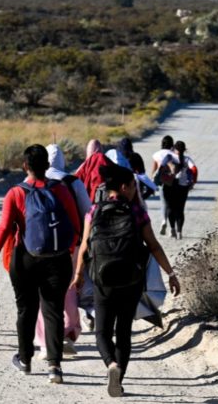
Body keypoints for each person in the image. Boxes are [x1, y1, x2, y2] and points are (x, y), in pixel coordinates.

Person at [71, 164, 180, 397]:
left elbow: (84, 246)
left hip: (103, 280)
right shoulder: (137, 212)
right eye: (132, 186)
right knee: (123, 331)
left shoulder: (94, 211)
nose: (134, 190)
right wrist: (171, 274)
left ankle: (111, 364)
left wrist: (79, 275)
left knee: (102, 331)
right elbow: (154, 246)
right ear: (123, 187)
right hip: (131, 280)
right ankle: (118, 380)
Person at [0, 144, 81, 384]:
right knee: (53, 311)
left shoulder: (16, 193)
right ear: (48, 166)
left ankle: (26, 360)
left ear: (25, 166)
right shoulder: (61, 190)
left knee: (26, 310)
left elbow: (5, 228)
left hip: (26, 259)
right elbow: (75, 226)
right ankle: (54, 367)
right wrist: (69, 251)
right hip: (58, 260)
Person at [31, 143, 92, 358]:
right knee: (69, 289)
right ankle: (68, 332)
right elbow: (87, 212)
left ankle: (44, 339)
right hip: (70, 244)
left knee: (42, 292)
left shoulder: (32, 181)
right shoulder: (73, 182)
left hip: (40, 245)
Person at [160, 140, 198, 239]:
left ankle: (172, 229)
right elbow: (194, 169)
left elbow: (160, 168)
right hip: (183, 186)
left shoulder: (169, 157)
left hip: (169, 185)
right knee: (180, 209)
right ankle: (179, 232)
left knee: (170, 208)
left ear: (174, 148)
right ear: (184, 150)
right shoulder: (187, 159)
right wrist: (193, 182)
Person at [151, 135, 174, 235]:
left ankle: (164, 220)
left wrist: (152, 184)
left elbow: (153, 171)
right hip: (172, 181)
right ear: (172, 144)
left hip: (161, 181)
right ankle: (173, 228)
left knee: (164, 203)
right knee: (172, 204)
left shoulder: (157, 154)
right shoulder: (173, 155)